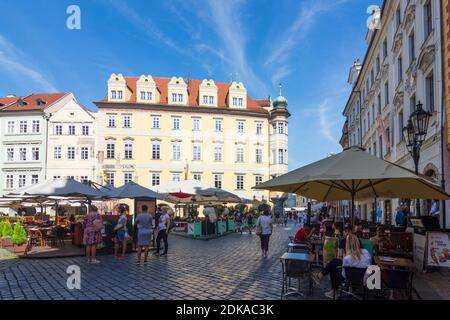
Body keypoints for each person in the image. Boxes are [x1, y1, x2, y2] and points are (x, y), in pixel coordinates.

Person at [313, 234, 372, 299]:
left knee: (334, 266)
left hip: (349, 280)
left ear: (347, 244)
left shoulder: (347, 258)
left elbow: (344, 274)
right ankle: (321, 276)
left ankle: (334, 291)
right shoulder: (366, 253)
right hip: (363, 280)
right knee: (335, 262)